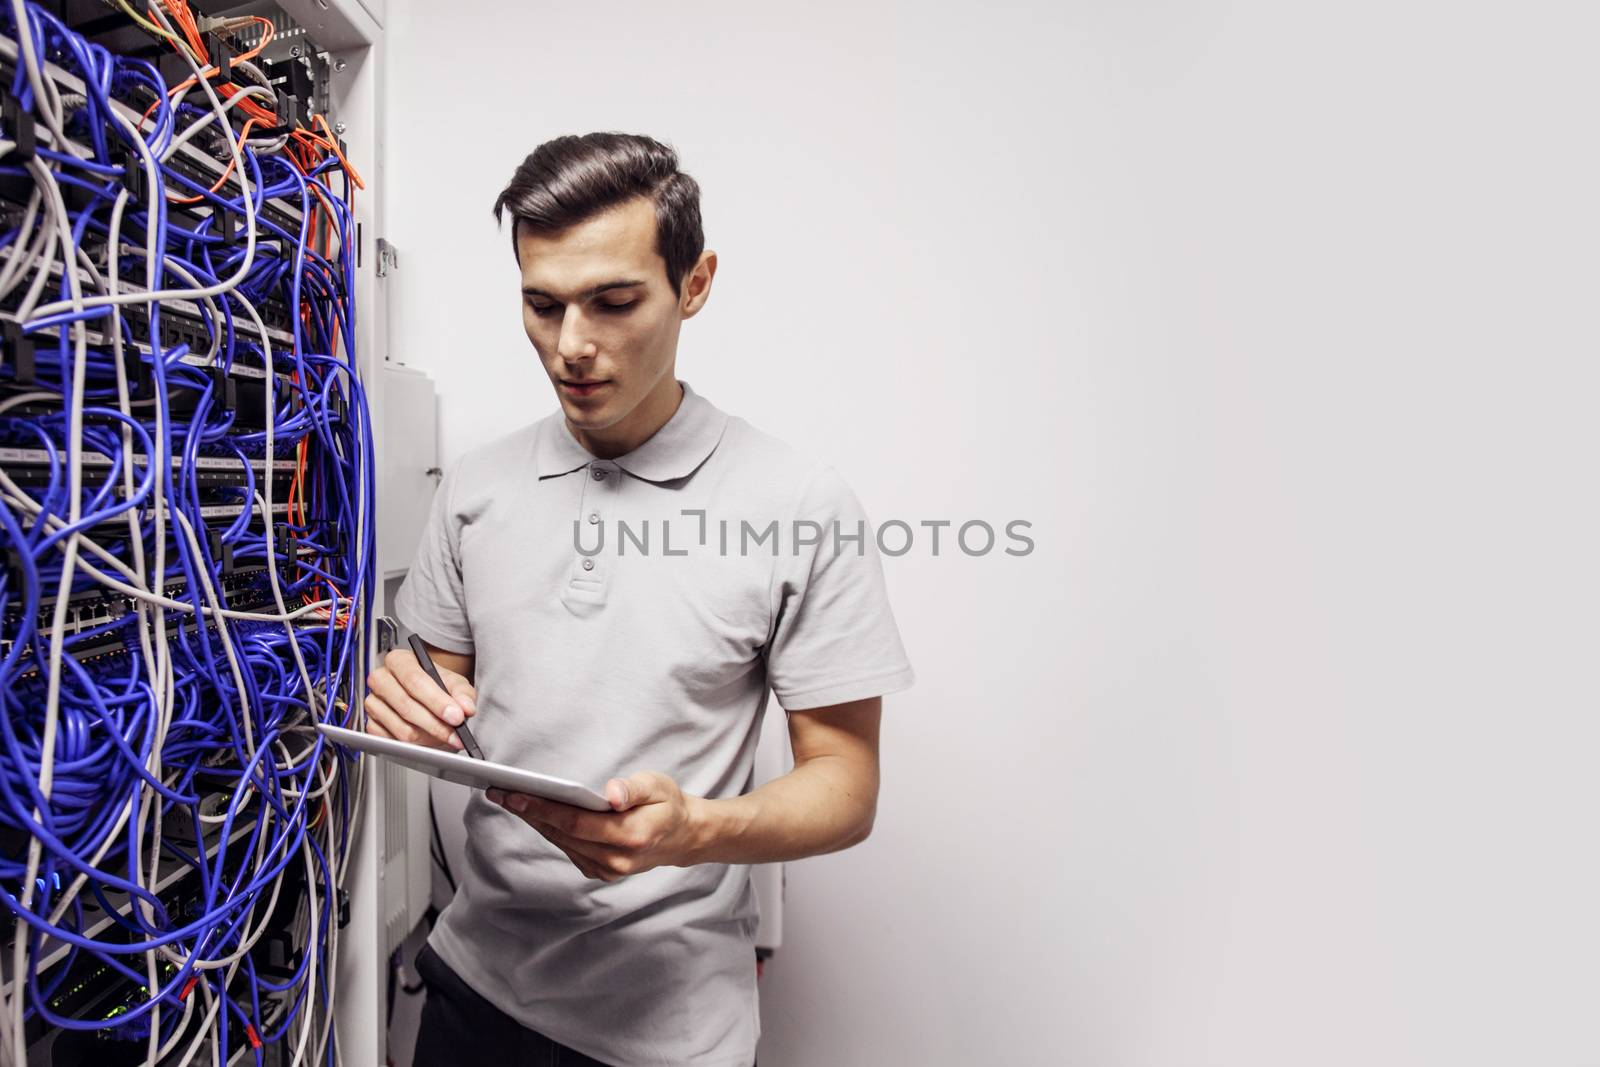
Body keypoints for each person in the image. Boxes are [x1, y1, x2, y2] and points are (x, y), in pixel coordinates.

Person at [367, 132, 915, 1067]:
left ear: (693, 284)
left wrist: (694, 830)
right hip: (472, 982)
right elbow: (428, 691)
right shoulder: (474, 488)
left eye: (614, 302)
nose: (572, 347)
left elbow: (847, 787)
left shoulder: (796, 501)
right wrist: (397, 696)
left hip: (667, 1030)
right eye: (542, 305)